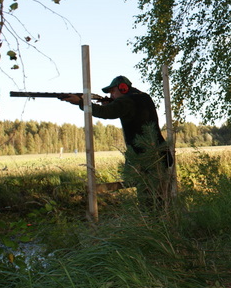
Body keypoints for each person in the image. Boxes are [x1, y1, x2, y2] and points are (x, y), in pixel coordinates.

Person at [62, 76, 173, 207]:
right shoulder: (143, 97)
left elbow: (106, 112)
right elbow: (125, 112)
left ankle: (153, 218)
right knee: (162, 198)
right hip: (158, 154)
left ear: (123, 88)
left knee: (149, 201)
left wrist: (81, 102)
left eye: (113, 91)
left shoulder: (127, 101)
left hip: (145, 159)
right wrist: (111, 105)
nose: (111, 95)